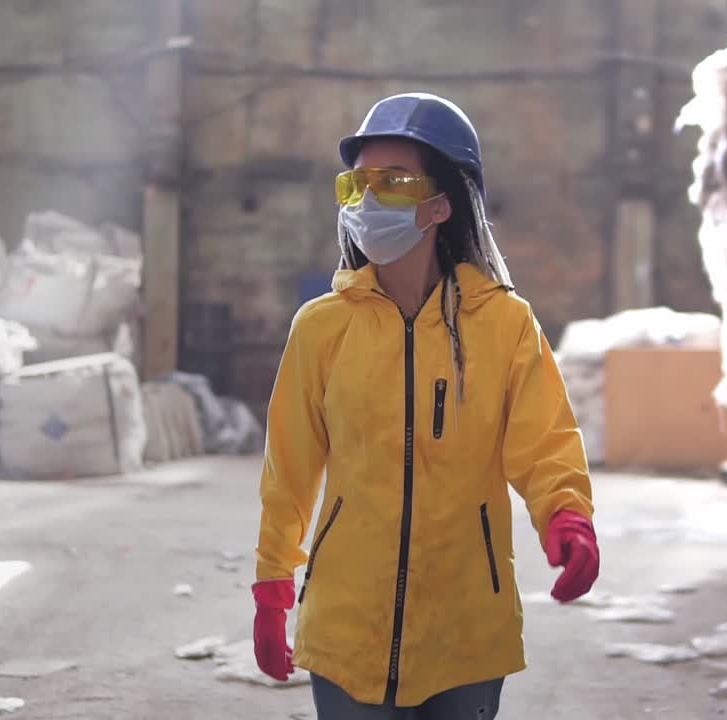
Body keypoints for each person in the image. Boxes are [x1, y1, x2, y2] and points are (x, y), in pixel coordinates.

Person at [252, 92, 599, 719]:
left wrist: (566, 516)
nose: (367, 200)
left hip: (467, 626)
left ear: (441, 204)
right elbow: (289, 471)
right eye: (357, 184)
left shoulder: (505, 325)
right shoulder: (322, 328)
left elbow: (545, 443)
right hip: (347, 624)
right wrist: (273, 581)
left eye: (393, 182)